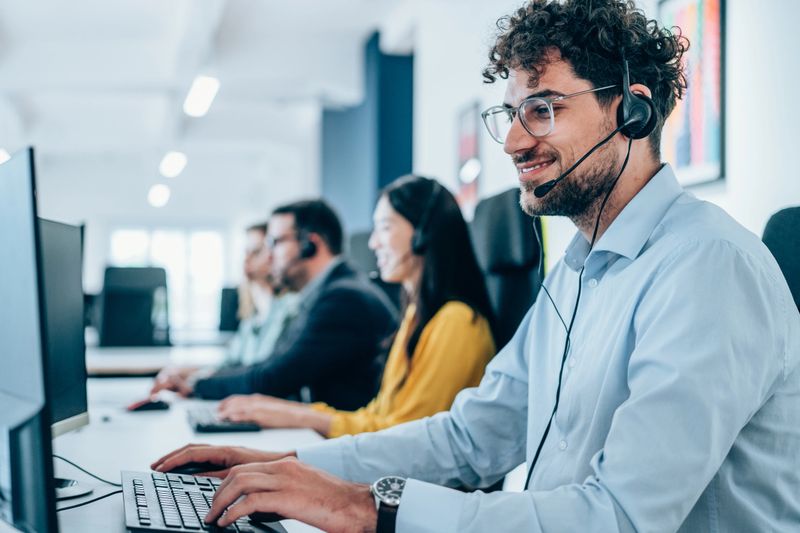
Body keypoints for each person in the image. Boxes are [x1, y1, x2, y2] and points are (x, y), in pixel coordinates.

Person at [152, 1, 800, 532]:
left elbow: (621, 517)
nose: (516, 141)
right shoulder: (574, 273)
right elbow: (470, 438)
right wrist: (288, 462)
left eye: (544, 108)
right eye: (511, 114)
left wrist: (362, 507)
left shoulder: (708, 267)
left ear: (631, 110)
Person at [215, 176, 496, 437]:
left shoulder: (457, 322)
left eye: (384, 227)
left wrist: (302, 417)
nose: (373, 243)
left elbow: (406, 436)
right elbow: (378, 415)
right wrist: (294, 414)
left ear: (422, 232)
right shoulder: (416, 317)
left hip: (414, 484)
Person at [160, 199, 398, 410]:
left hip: (348, 442)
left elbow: (273, 379)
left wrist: (196, 385)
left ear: (310, 244)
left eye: (275, 243)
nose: (269, 256)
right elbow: (270, 365)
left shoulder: (343, 299)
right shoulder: (327, 293)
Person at [150, 222, 298, 396]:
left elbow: (260, 374)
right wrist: (188, 373)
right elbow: (230, 364)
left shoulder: (291, 307)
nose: (246, 259)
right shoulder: (253, 316)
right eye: (245, 252)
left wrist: (196, 383)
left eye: (256, 251)